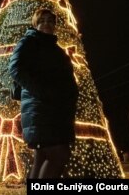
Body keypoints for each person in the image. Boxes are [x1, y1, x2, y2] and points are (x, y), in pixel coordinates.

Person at [8, 9, 78, 178]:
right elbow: (15, 68)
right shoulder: (29, 42)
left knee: (43, 156)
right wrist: (42, 92)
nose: (47, 24)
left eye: (50, 21)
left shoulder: (56, 49)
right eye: (42, 20)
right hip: (41, 109)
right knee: (59, 155)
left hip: (57, 110)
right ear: (36, 24)